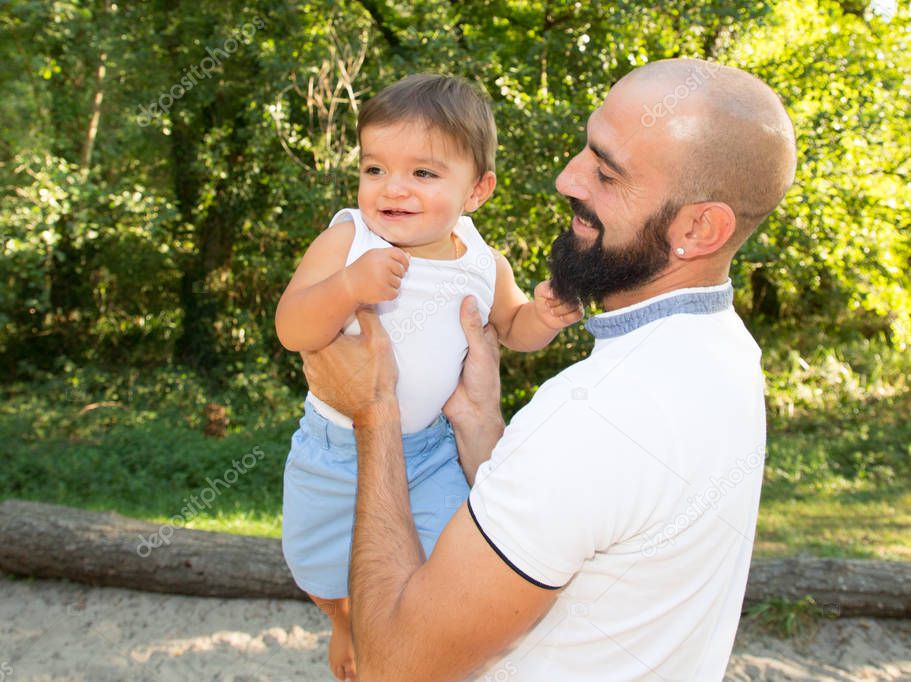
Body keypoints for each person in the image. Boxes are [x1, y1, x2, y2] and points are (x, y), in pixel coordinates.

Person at [301, 58, 798, 680]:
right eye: (585, 151)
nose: (567, 178)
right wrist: (480, 422)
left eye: (605, 172)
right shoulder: (725, 352)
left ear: (699, 227)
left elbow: (392, 667)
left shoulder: (603, 412)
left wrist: (375, 412)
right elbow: (574, 524)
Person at [274, 74, 582, 681]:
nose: (394, 188)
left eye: (423, 173)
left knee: (446, 564)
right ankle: (345, 622)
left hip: (435, 453)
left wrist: (542, 316)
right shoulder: (348, 240)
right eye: (375, 169)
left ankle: (411, 646)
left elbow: (511, 329)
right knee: (314, 559)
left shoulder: (481, 261)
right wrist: (347, 287)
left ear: (477, 190)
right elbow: (292, 328)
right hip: (335, 446)